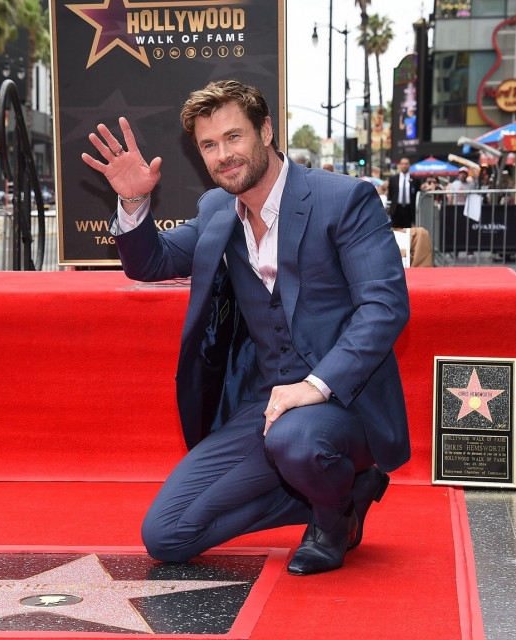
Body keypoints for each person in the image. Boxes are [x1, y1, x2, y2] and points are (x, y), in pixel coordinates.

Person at [82, 79, 410, 576]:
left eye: (234, 137)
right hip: (264, 406)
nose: (223, 156)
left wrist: (314, 386)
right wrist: (132, 205)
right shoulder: (218, 210)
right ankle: (343, 493)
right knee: (167, 536)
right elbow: (153, 262)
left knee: (296, 442)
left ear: (266, 130)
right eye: (209, 145)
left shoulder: (343, 200)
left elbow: (384, 307)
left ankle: (328, 517)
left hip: (345, 402)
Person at [387, 157, 420, 227]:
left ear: (409, 165)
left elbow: (417, 192)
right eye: (402, 164)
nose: (404, 165)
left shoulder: (415, 179)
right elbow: (391, 193)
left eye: (406, 164)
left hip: (409, 209)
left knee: (408, 231)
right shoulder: (393, 179)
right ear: (400, 165)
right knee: (396, 231)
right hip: (396, 209)